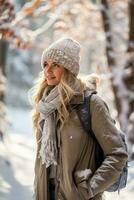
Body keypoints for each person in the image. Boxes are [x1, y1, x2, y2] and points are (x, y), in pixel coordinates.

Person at [31, 38, 128, 200]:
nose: (48, 70)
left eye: (56, 64)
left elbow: (117, 155)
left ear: (69, 69)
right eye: (45, 64)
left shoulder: (90, 104)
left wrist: (87, 190)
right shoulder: (45, 108)